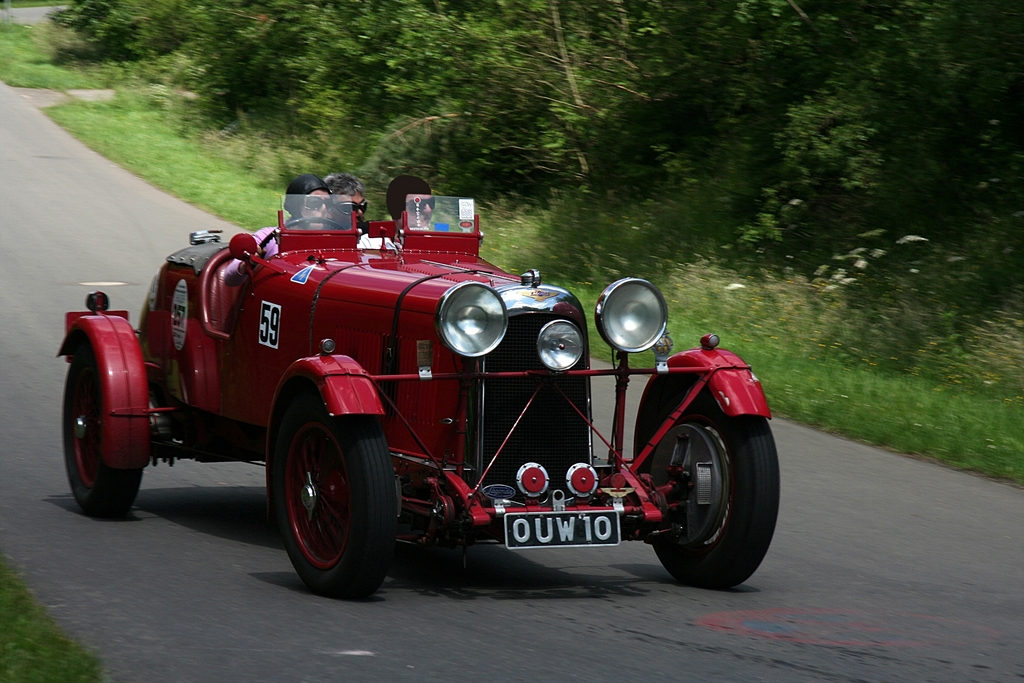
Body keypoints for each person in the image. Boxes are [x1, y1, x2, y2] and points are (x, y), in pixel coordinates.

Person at [225, 174, 330, 286]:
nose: (324, 209)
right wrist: (248, 263)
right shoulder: (269, 236)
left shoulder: (335, 241)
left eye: (328, 203)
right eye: (314, 203)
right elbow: (229, 277)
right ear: (296, 206)